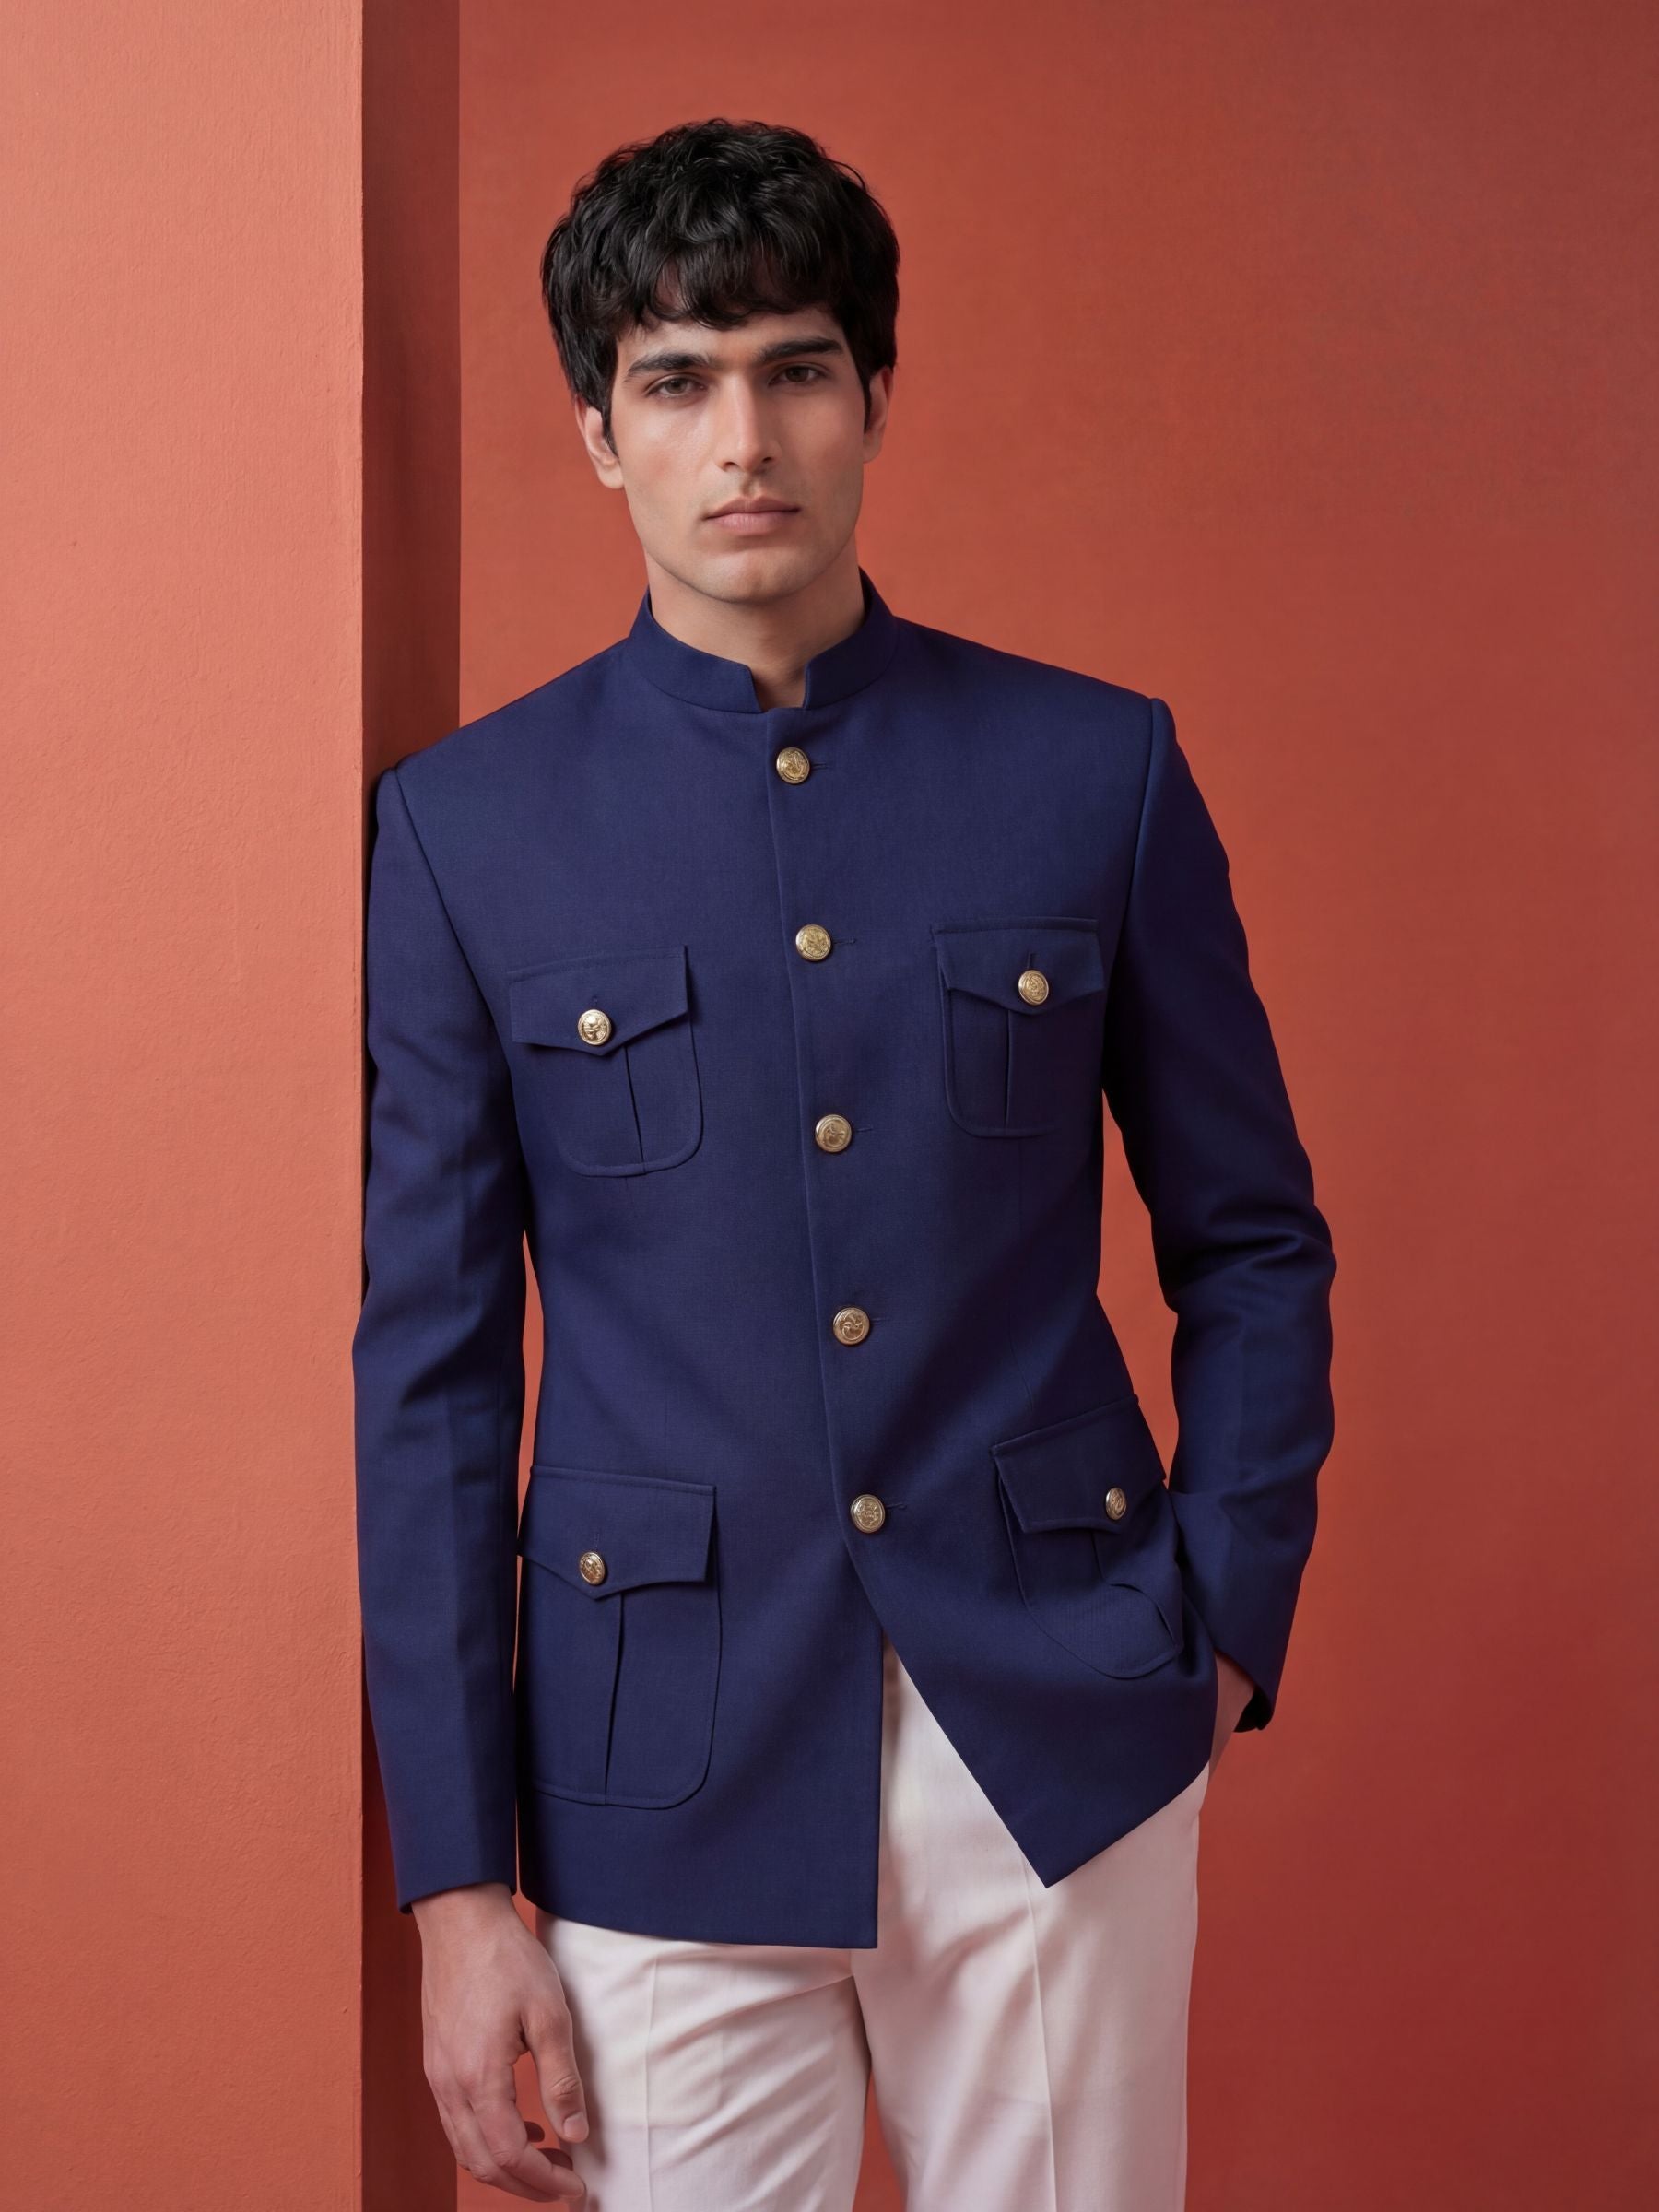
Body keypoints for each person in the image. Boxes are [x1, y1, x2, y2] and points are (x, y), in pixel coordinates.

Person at [352, 115, 1337, 2209]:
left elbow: (1254, 1238)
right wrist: (453, 1882)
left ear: (875, 393)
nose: (745, 442)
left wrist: (1226, 1616)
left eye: (795, 368)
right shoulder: (465, 829)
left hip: (1058, 1716)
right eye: (676, 382)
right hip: (653, 1767)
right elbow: (431, 1374)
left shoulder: (1094, 768)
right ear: (598, 433)